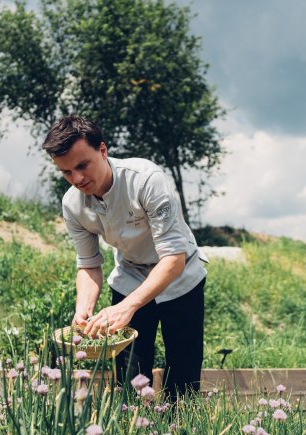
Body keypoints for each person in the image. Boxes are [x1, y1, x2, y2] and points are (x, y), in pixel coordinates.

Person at [42, 115, 208, 399]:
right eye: (67, 172)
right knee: (129, 380)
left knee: (182, 378)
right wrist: (83, 310)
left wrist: (127, 307)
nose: (77, 179)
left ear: (103, 151)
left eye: (83, 165)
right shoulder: (72, 204)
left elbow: (173, 258)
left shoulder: (146, 180)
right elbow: (89, 264)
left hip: (180, 277)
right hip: (130, 275)